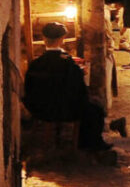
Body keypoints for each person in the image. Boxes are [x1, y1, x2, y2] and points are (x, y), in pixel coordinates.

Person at [23, 22, 124, 151]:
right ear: (61, 40)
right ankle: (90, 145)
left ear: (44, 39)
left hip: (40, 110)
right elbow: (80, 92)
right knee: (96, 110)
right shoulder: (69, 64)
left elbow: (29, 90)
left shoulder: (35, 64)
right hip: (66, 111)